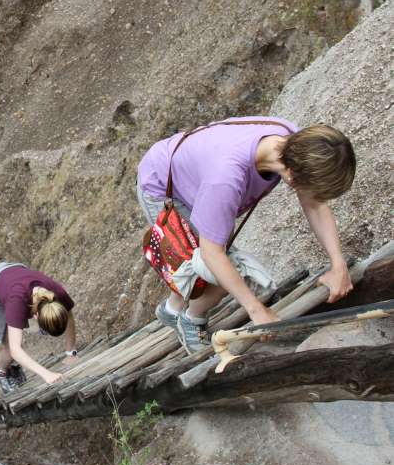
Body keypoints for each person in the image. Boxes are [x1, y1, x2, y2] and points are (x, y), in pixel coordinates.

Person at [137, 117, 356, 353]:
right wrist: (256, 310)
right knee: (224, 266)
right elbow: (213, 255)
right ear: (293, 178)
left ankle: (171, 310)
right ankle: (192, 320)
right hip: (164, 188)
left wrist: (338, 265)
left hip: (192, 173)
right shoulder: (225, 180)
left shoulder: (295, 143)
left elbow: (315, 205)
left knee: (203, 257)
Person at [0, 262, 77, 394]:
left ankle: (13, 367)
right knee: (8, 344)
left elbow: (69, 315)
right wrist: (47, 374)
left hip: (10, 273)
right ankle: (1, 372)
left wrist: (71, 353)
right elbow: (15, 349)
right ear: (35, 316)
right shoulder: (17, 301)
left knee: (14, 339)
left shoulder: (56, 292)